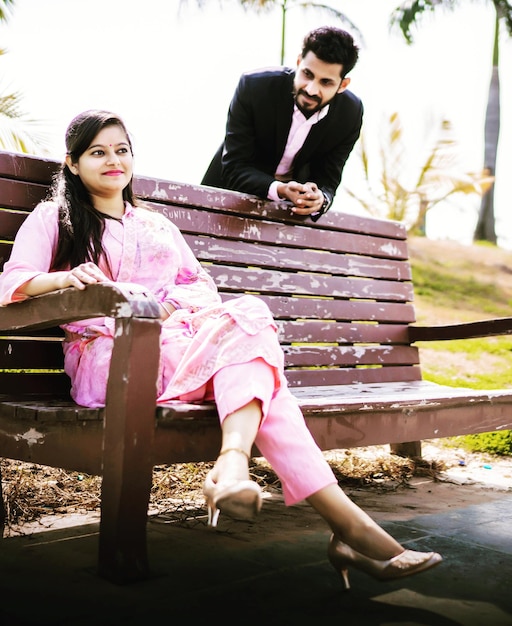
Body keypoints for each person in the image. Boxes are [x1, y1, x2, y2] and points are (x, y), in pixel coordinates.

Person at [0, 110, 441, 590]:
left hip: (183, 342)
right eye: (98, 152)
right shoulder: (56, 217)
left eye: (121, 150)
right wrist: (66, 279)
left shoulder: (156, 224)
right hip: (113, 358)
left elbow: (199, 285)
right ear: (73, 162)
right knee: (264, 385)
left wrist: (166, 308)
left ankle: (239, 469)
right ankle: (343, 528)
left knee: (249, 313)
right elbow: (13, 283)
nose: (113, 161)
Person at [201, 26, 363, 221]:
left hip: (286, 220)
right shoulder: (254, 87)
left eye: (326, 82)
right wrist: (280, 189)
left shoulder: (349, 114)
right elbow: (235, 167)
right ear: (297, 62)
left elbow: (328, 180)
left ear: (342, 85)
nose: (311, 89)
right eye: (307, 74)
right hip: (222, 204)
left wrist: (320, 199)